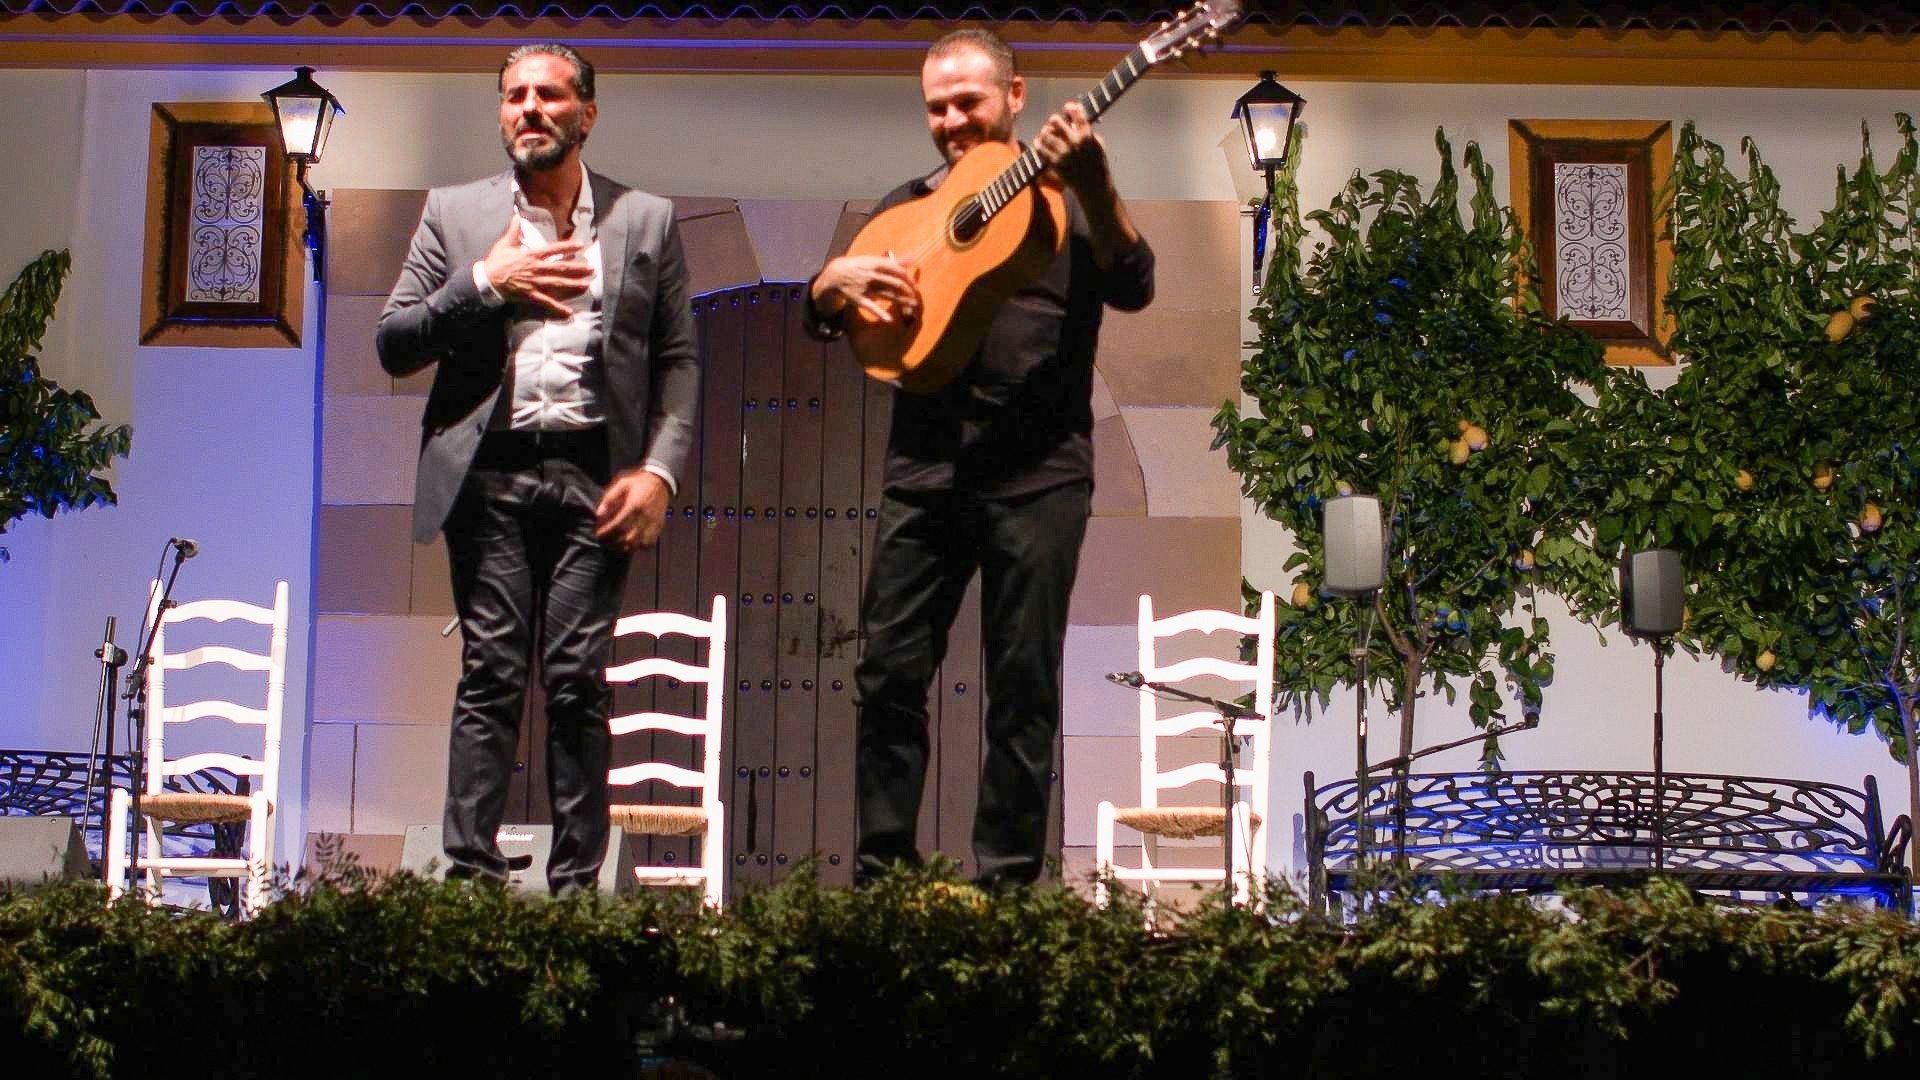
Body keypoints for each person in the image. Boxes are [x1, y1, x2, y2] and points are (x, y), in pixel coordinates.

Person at [806, 28, 1155, 887]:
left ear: (1015, 96)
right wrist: (831, 283)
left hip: (1039, 475)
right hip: (924, 473)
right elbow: (829, 302)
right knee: (886, 674)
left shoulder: (1072, 202)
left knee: (1021, 691)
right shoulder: (909, 206)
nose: (952, 120)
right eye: (937, 106)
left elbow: (1137, 283)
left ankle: (1004, 890)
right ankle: (883, 881)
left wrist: (1098, 186)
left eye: (969, 101)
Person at [377, 42, 700, 894]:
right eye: (515, 95)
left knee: (575, 681)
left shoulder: (646, 221)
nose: (530, 109)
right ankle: (470, 877)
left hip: (596, 480)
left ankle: (574, 890)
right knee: (490, 670)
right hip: (489, 477)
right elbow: (394, 341)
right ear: (500, 113)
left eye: (550, 95)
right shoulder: (453, 215)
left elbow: (678, 361)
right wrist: (486, 281)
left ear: (585, 114)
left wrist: (659, 472)